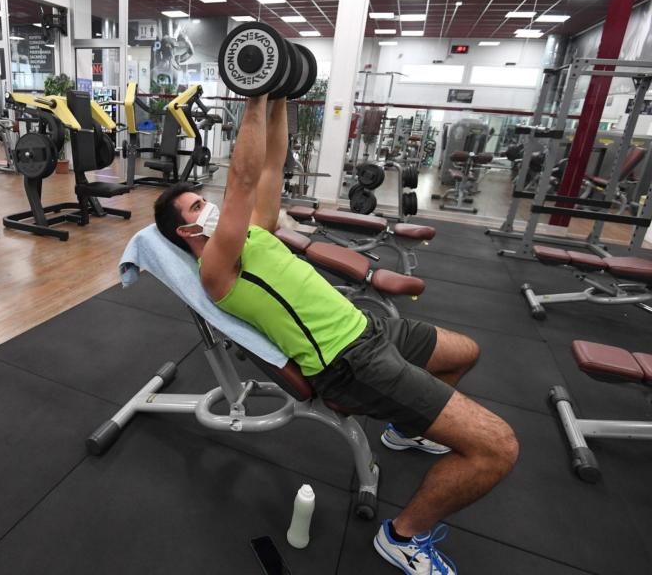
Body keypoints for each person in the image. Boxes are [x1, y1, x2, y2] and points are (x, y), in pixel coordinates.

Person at [153, 95, 518, 575]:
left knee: (465, 353)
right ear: (186, 232)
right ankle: (404, 537)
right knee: (499, 447)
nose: (214, 206)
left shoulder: (255, 233)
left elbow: (270, 167)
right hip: (347, 364)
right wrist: (255, 96)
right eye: (200, 205)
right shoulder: (217, 268)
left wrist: (280, 96)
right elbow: (242, 177)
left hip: (369, 327)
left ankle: (406, 429)